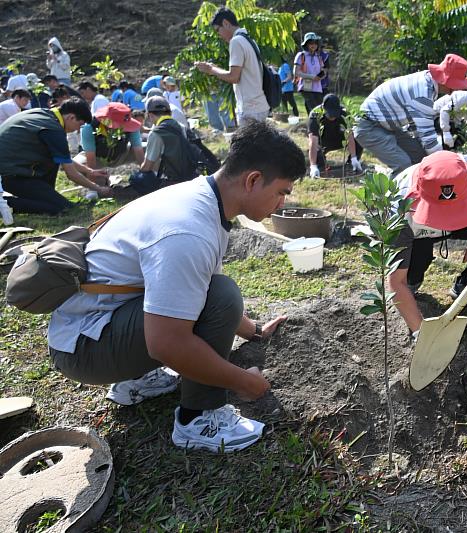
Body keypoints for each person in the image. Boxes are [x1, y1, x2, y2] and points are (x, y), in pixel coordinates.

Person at [47, 121, 306, 453]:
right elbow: (167, 344)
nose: (281, 204)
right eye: (282, 192)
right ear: (253, 180)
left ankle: (136, 380)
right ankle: (199, 418)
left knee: (214, 292)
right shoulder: (188, 230)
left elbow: (198, 286)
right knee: (223, 295)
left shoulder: (203, 197)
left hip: (94, 324)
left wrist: (253, 330)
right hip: (84, 348)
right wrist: (247, 383)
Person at [388, 151, 467, 334]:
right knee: (410, 274)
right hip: (416, 231)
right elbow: (395, 281)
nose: (447, 219)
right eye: (443, 213)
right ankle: (412, 286)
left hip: (462, 216)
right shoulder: (399, 212)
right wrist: (422, 335)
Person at [354, 54, 467, 178]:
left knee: (420, 157)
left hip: (387, 125)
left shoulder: (429, 83)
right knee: (403, 166)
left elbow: (418, 129)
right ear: (446, 80)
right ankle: (385, 196)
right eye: (456, 84)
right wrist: (448, 163)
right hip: (369, 126)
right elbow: (429, 142)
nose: (457, 89)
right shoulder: (422, 93)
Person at [0, 97, 111, 214]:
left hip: (10, 168)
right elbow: (71, 174)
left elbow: (63, 158)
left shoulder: (44, 114)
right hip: (9, 175)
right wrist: (99, 189)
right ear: (71, 117)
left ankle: (43, 195)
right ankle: (6, 204)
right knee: (62, 208)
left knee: (54, 164)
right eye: (80, 124)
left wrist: (90, 172)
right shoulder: (53, 130)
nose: (78, 130)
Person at [195, 7, 269, 125]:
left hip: (250, 110)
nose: (219, 35)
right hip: (259, 106)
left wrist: (210, 70)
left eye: (218, 30)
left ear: (226, 23)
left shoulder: (236, 41)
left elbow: (233, 77)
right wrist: (215, 68)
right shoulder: (248, 39)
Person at [131, 96, 198, 195]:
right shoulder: (182, 127)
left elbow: (147, 166)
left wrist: (138, 172)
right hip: (191, 175)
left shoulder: (156, 133)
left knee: (136, 178)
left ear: (150, 115)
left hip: (172, 180)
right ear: (170, 113)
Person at [75, 102, 144, 171]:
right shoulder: (90, 128)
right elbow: (91, 159)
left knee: (148, 148)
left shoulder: (132, 127)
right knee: (77, 165)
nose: (124, 127)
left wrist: (144, 173)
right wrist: (95, 175)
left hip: (121, 155)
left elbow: (138, 149)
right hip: (97, 158)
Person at [307, 93, 362, 177]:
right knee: (318, 160)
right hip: (322, 142)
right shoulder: (315, 116)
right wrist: (313, 166)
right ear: (324, 108)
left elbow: (350, 136)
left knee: (359, 139)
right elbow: (313, 141)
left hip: (339, 139)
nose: (332, 117)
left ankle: (351, 165)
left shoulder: (344, 113)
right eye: (330, 114)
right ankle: (320, 167)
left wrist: (354, 157)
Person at [294, 32, 326, 114]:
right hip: (306, 85)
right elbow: (296, 72)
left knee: (319, 109)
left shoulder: (318, 57)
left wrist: (320, 76)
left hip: (317, 87)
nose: (313, 45)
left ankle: (312, 125)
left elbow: (323, 72)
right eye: (311, 43)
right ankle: (314, 125)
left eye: (315, 43)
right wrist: (312, 77)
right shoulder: (301, 55)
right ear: (306, 44)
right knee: (314, 109)